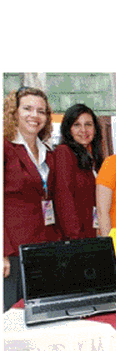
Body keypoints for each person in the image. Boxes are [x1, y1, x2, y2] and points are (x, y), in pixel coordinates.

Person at [3, 87, 61, 311]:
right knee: (13, 316)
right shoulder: (5, 147)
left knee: (41, 314)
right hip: (12, 251)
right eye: (27, 108)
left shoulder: (47, 150)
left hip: (43, 247)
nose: (34, 115)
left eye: (41, 111)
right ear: (14, 112)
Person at [54, 104, 104, 239]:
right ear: (68, 129)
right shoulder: (64, 152)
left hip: (94, 234)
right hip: (76, 237)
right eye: (77, 125)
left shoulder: (94, 157)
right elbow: (64, 198)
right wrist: (75, 237)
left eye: (88, 124)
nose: (83, 130)